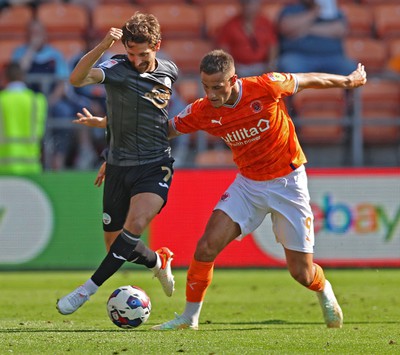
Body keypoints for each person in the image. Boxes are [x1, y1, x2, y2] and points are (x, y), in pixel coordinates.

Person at [76, 50, 367, 329]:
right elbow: (159, 130)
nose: (211, 94)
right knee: (205, 248)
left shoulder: (265, 86)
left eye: (217, 87)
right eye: (205, 86)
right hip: (248, 184)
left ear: (233, 80)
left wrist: (348, 81)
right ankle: (189, 319)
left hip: (287, 183)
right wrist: (116, 145)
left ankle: (323, 289)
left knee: (301, 273)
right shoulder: (203, 110)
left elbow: (307, 79)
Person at [56, 12, 177, 315]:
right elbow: (77, 78)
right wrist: (102, 46)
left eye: (143, 54)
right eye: (130, 53)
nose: (136, 60)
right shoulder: (116, 68)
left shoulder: (170, 71)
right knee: (117, 245)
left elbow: (150, 117)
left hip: (155, 163)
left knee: (134, 226)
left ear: (157, 45)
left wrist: (105, 124)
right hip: (120, 164)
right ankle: (157, 261)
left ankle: (86, 290)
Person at [11, 19, 75, 170]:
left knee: (65, 113)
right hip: (27, 101)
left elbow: (62, 82)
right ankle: (35, 158)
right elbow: (17, 74)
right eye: (32, 33)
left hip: (51, 99)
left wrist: (50, 101)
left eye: (38, 33)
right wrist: (31, 49)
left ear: (45, 35)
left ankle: (58, 159)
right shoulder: (20, 53)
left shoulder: (54, 54)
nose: (36, 37)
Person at [277, 0, 356, 75]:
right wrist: (314, 12)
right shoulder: (292, 8)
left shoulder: (332, 10)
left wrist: (305, 29)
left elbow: (339, 29)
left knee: (352, 69)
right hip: (299, 57)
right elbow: (286, 27)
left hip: (332, 57)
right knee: (289, 66)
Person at [0, 61, 47, 174]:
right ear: (23, 77)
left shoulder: (2, 101)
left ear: (4, 78)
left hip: (3, 169)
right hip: (32, 167)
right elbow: (40, 132)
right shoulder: (38, 101)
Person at [214, 0, 278, 77]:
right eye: (246, 4)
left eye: (252, 4)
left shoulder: (266, 23)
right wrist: (231, 68)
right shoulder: (230, 25)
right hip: (239, 68)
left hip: (262, 66)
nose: (249, 8)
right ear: (241, 6)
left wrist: (270, 66)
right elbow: (224, 49)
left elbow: (273, 46)